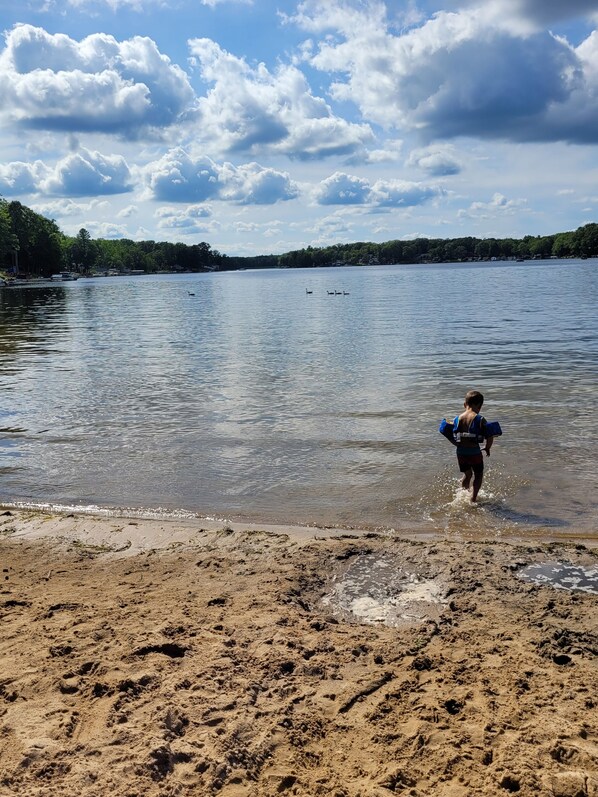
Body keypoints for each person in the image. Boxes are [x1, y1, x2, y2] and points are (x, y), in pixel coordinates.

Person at [450, 390, 495, 502]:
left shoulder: (457, 419)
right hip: (474, 452)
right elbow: (490, 436)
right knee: (478, 474)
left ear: (465, 405)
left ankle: (462, 493)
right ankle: (473, 498)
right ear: (479, 406)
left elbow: (452, 434)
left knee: (467, 474)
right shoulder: (480, 419)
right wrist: (487, 447)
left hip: (460, 453)